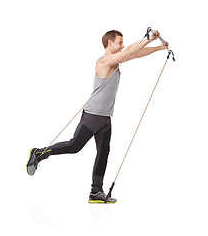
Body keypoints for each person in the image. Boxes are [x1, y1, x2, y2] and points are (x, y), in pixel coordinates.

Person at [26, 29, 168, 203]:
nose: (122, 45)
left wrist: (159, 48)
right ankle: (39, 153)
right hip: (92, 115)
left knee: (103, 153)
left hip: (106, 118)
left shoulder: (116, 62)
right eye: (119, 42)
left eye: (122, 43)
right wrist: (147, 38)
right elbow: (130, 50)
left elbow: (135, 53)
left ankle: (96, 192)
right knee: (74, 146)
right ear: (109, 43)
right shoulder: (104, 61)